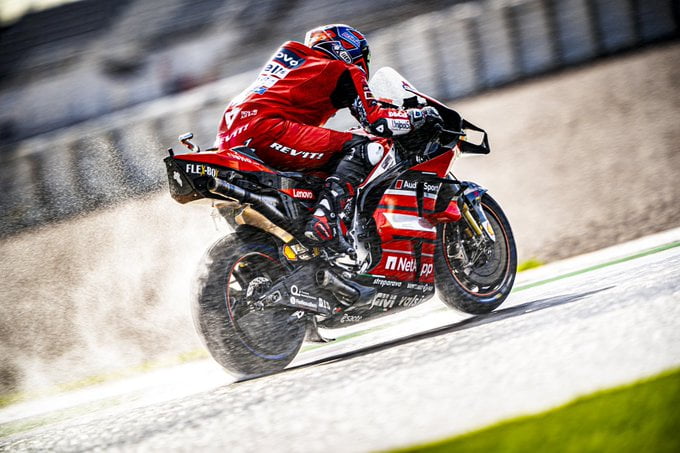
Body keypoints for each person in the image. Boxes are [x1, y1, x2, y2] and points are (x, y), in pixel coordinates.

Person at [216, 24, 441, 255]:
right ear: (349, 50)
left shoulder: (294, 63)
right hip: (267, 130)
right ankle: (325, 221)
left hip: (228, 140)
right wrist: (419, 116)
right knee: (364, 148)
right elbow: (377, 122)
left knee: (324, 166)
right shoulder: (342, 69)